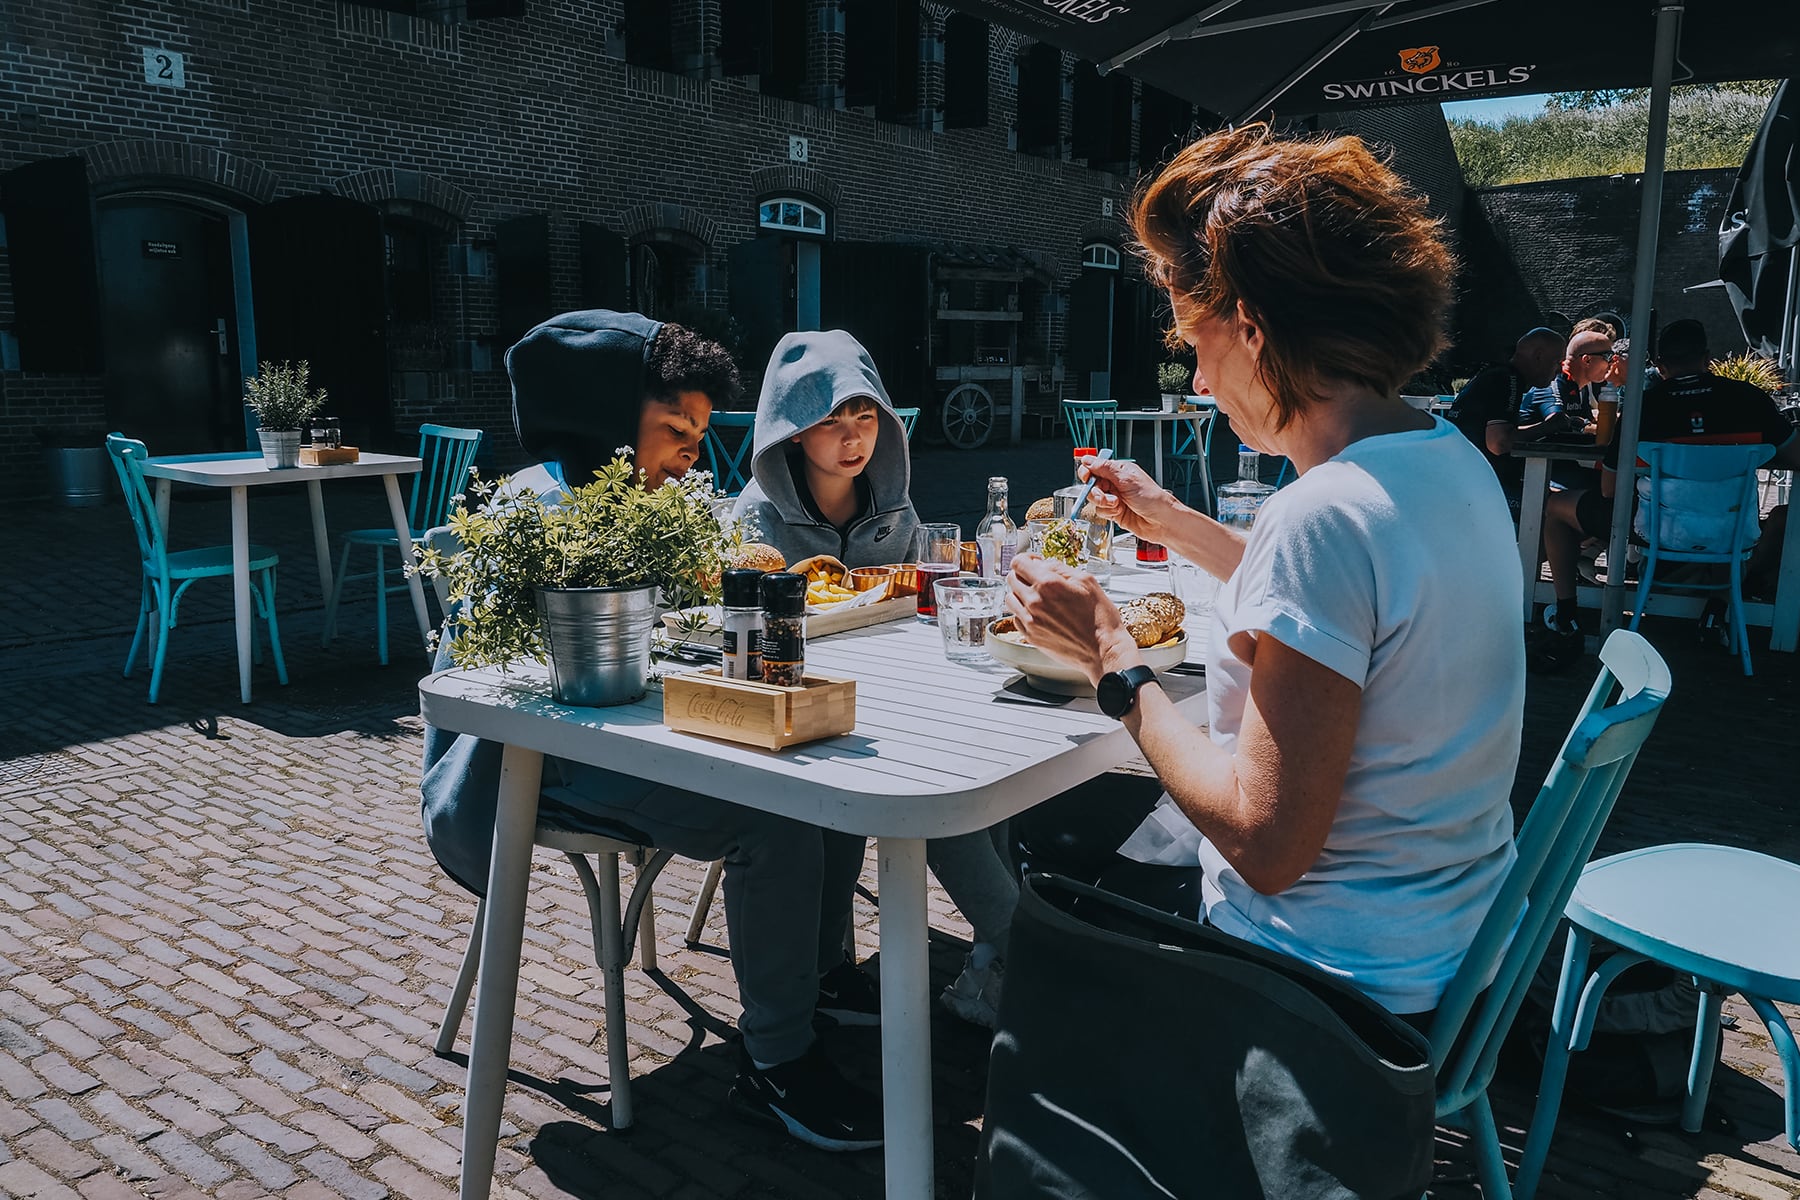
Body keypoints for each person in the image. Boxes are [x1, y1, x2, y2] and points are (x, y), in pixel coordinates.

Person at [1006, 124, 1524, 1020]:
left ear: (1250, 328)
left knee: (1032, 839)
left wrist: (1112, 662)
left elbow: (1265, 843)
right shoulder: (1443, 460)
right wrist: (1171, 523)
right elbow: (1347, 616)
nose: (1199, 381)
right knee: (1104, 833)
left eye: (1194, 345)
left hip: (1322, 979)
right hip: (1453, 938)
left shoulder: (1319, 517)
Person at [421, 310, 885, 1152]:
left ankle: (815, 980)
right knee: (775, 812)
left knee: (822, 772)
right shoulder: (541, 513)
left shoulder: (640, 502)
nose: (688, 456)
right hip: (523, 770)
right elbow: (508, 698)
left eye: (699, 435)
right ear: (605, 417)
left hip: (623, 739)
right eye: (675, 430)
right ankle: (777, 1063)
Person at [732, 329, 1018, 1028]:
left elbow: (921, 603)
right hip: (801, 709)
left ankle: (1001, 946)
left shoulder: (896, 511)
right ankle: (1015, 942)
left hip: (896, 693)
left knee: (985, 750)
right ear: (792, 434)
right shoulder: (758, 521)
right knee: (918, 778)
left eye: (865, 418)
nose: (852, 438)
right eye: (830, 421)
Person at [1535, 317, 1800, 667]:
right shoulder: (1750, 400)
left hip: (1656, 529)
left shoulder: (1645, 407)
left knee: (1555, 507)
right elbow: (1795, 456)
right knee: (1734, 520)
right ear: (1707, 357)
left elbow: (1609, 489)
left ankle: (1567, 612)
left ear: (1660, 366)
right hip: (1733, 530)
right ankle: (1718, 607)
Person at [1449, 327, 1567, 522]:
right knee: (1560, 509)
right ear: (1538, 356)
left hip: (1466, 481)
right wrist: (1550, 426)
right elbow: (1499, 443)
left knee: (1560, 500)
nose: (1560, 370)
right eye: (1557, 362)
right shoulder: (1507, 379)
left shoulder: (1496, 374)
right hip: (1478, 489)